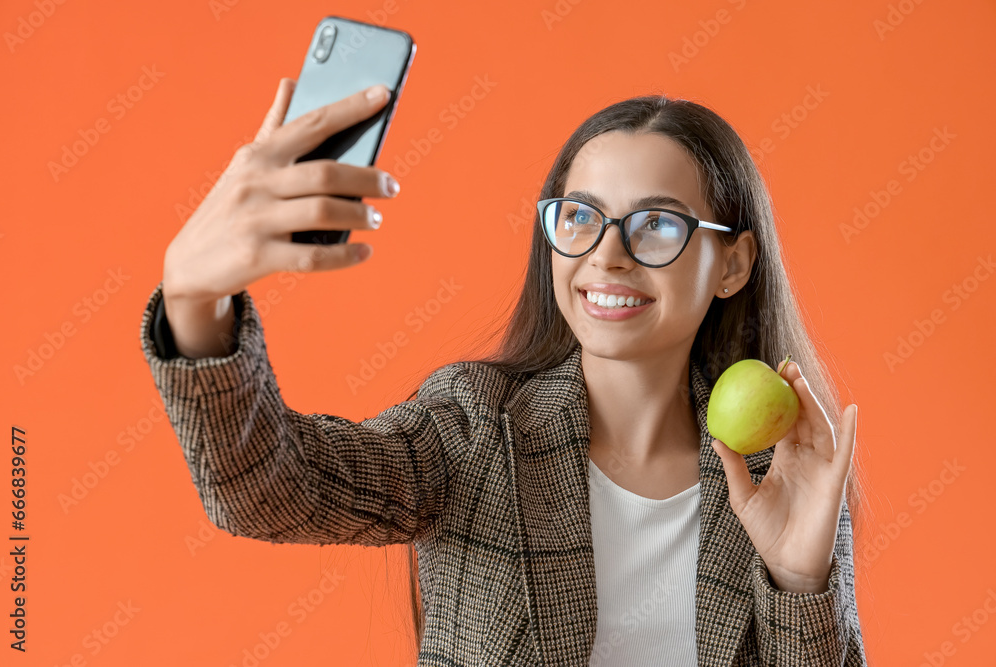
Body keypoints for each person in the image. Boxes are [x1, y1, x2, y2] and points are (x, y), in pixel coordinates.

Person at [139, 77, 869, 666]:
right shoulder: (473, 427)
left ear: (732, 264)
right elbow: (268, 489)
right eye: (580, 216)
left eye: (657, 224)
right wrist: (194, 300)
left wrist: (801, 581)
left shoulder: (783, 474)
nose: (607, 255)